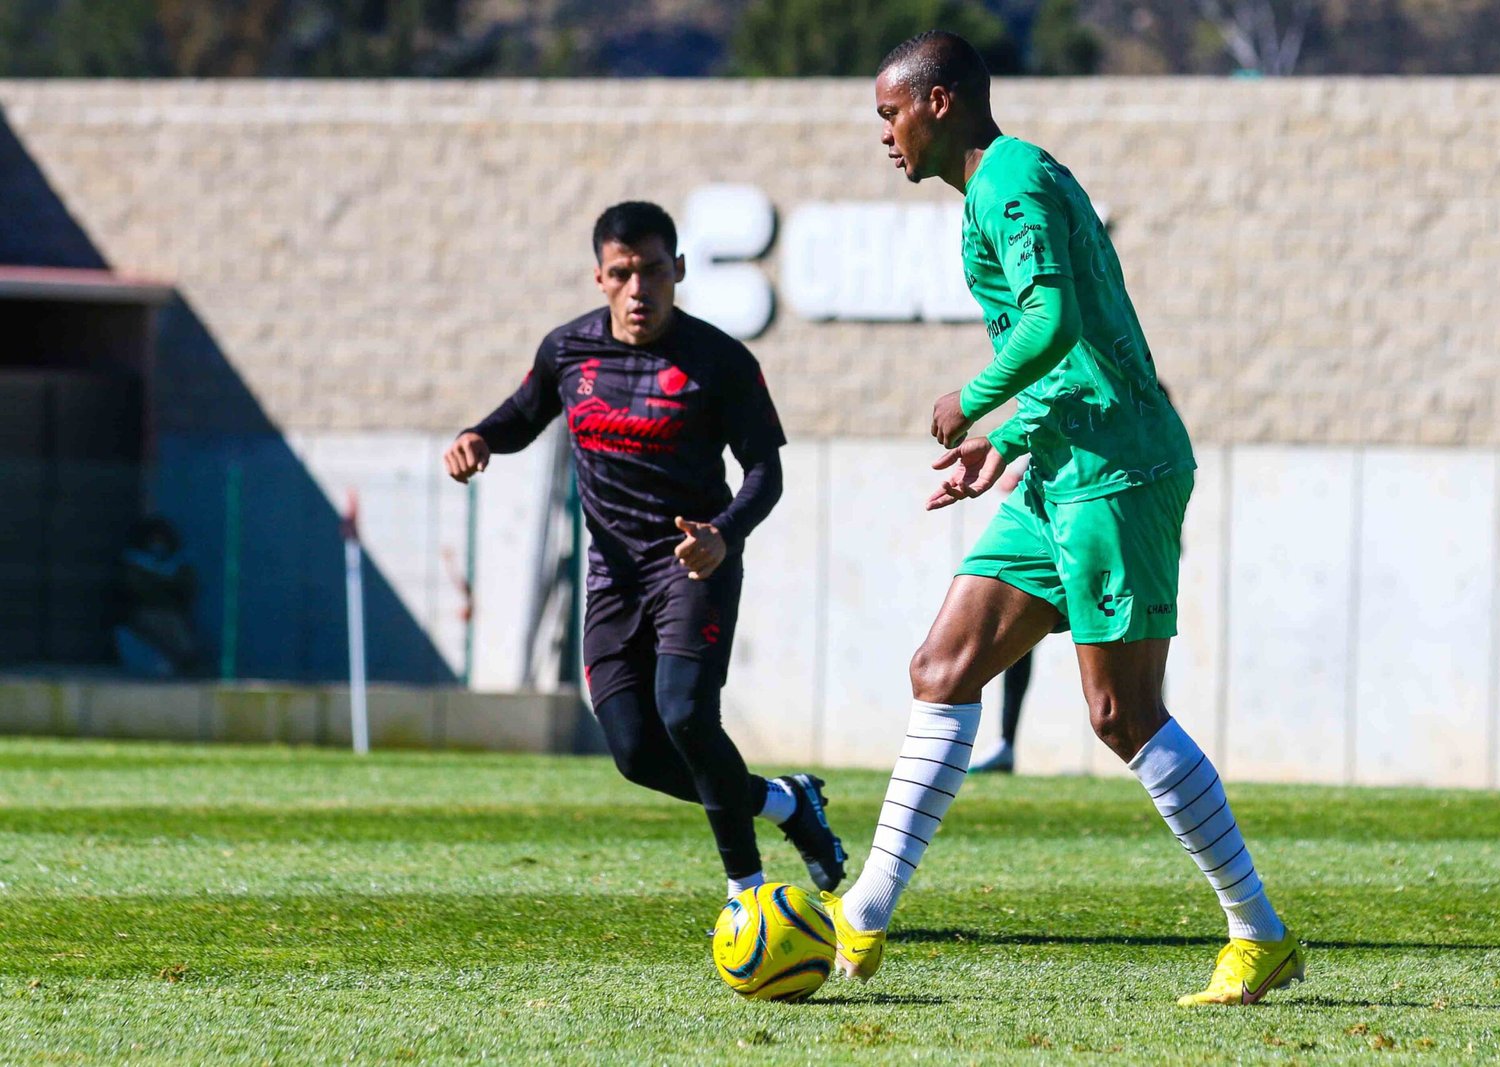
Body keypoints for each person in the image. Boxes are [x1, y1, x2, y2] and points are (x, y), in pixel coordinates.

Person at [820, 32, 1304, 1007]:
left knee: (1119, 714)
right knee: (943, 665)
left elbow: (1052, 325)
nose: (883, 133)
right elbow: (1076, 340)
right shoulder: (1001, 186)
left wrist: (973, 400)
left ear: (941, 102)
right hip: (1061, 463)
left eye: (890, 112)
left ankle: (1259, 932)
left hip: (1118, 470)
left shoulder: (1008, 183)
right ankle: (863, 911)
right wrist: (1008, 442)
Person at [444, 201, 846, 900]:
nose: (640, 289)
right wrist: (479, 436)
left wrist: (724, 532)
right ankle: (787, 803)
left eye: (655, 271)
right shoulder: (567, 351)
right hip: (612, 577)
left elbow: (765, 472)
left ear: (679, 271)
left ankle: (746, 892)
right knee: (634, 751)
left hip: (694, 564)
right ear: (598, 278)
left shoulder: (720, 359)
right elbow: (522, 415)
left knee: (687, 714)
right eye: (623, 273)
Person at [970, 466, 1031, 775]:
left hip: (1114, 542)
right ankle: (1005, 744)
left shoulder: (1153, 419)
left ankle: (1151, 736)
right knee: (1018, 640)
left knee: (1129, 647)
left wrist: (1000, 446)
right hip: (1061, 536)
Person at [113, 516, 203, 677]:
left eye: (161, 539)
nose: (158, 544)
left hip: (172, 613)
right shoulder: (134, 562)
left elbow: (188, 587)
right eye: (154, 539)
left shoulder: (178, 563)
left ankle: (185, 666)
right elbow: (137, 589)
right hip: (143, 613)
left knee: (183, 643)